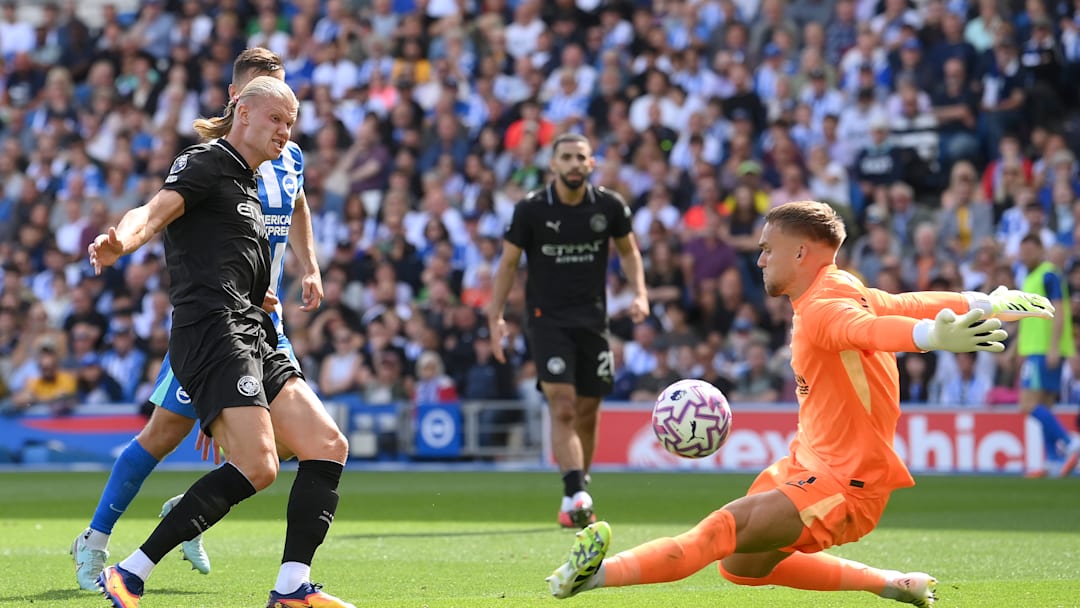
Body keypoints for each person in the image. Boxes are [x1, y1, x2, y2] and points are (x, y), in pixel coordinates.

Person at [546, 201, 1053, 605]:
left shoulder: (822, 309)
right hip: (805, 462)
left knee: (723, 529)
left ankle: (593, 576)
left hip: (846, 483)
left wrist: (928, 337)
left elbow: (869, 328)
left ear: (802, 253)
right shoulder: (841, 285)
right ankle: (891, 583)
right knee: (740, 567)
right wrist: (981, 301)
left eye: (768, 249)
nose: (760, 259)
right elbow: (900, 304)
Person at [88, 75, 354, 608]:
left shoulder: (253, 186)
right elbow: (154, 212)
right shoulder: (206, 162)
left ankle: (291, 589)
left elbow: (239, 262)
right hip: (212, 331)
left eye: (290, 124)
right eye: (276, 119)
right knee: (258, 466)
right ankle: (129, 573)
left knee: (328, 446)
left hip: (255, 329)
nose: (284, 132)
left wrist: (267, 296)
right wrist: (123, 240)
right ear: (243, 112)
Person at [487, 132, 648, 529]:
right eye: (567, 157)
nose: (574, 163)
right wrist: (495, 317)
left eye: (581, 157)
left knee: (588, 411)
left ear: (591, 164)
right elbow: (508, 265)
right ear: (553, 164)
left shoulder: (609, 206)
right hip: (547, 319)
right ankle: (576, 489)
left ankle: (576, 492)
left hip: (593, 320)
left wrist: (640, 293)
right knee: (562, 404)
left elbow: (629, 252)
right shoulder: (531, 210)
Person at [1014, 234, 1080, 477]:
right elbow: (1028, 319)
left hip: (1042, 350)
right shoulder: (1030, 276)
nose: (1025, 255)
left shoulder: (1048, 274)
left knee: (1027, 404)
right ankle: (1052, 460)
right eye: (1023, 250)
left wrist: (1054, 347)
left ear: (1041, 250)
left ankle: (1069, 441)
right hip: (1033, 349)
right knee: (1044, 406)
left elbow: (1060, 311)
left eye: (1030, 249)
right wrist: (1017, 349)